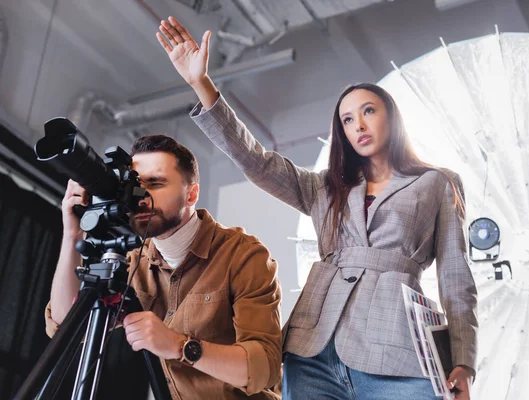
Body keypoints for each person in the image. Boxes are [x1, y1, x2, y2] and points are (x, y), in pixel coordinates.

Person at [157, 16, 478, 400]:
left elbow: (456, 280)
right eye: (347, 119)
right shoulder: (325, 187)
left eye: (369, 111)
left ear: (392, 116)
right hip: (312, 351)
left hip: (399, 352)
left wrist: (464, 362)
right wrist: (201, 84)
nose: (358, 124)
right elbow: (255, 160)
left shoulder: (436, 183)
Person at [45, 135, 283, 399]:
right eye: (135, 185)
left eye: (155, 183)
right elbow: (64, 329)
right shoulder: (133, 260)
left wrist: (179, 346)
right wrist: (72, 236)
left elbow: (265, 369)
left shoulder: (243, 255)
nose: (141, 197)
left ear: (191, 194)